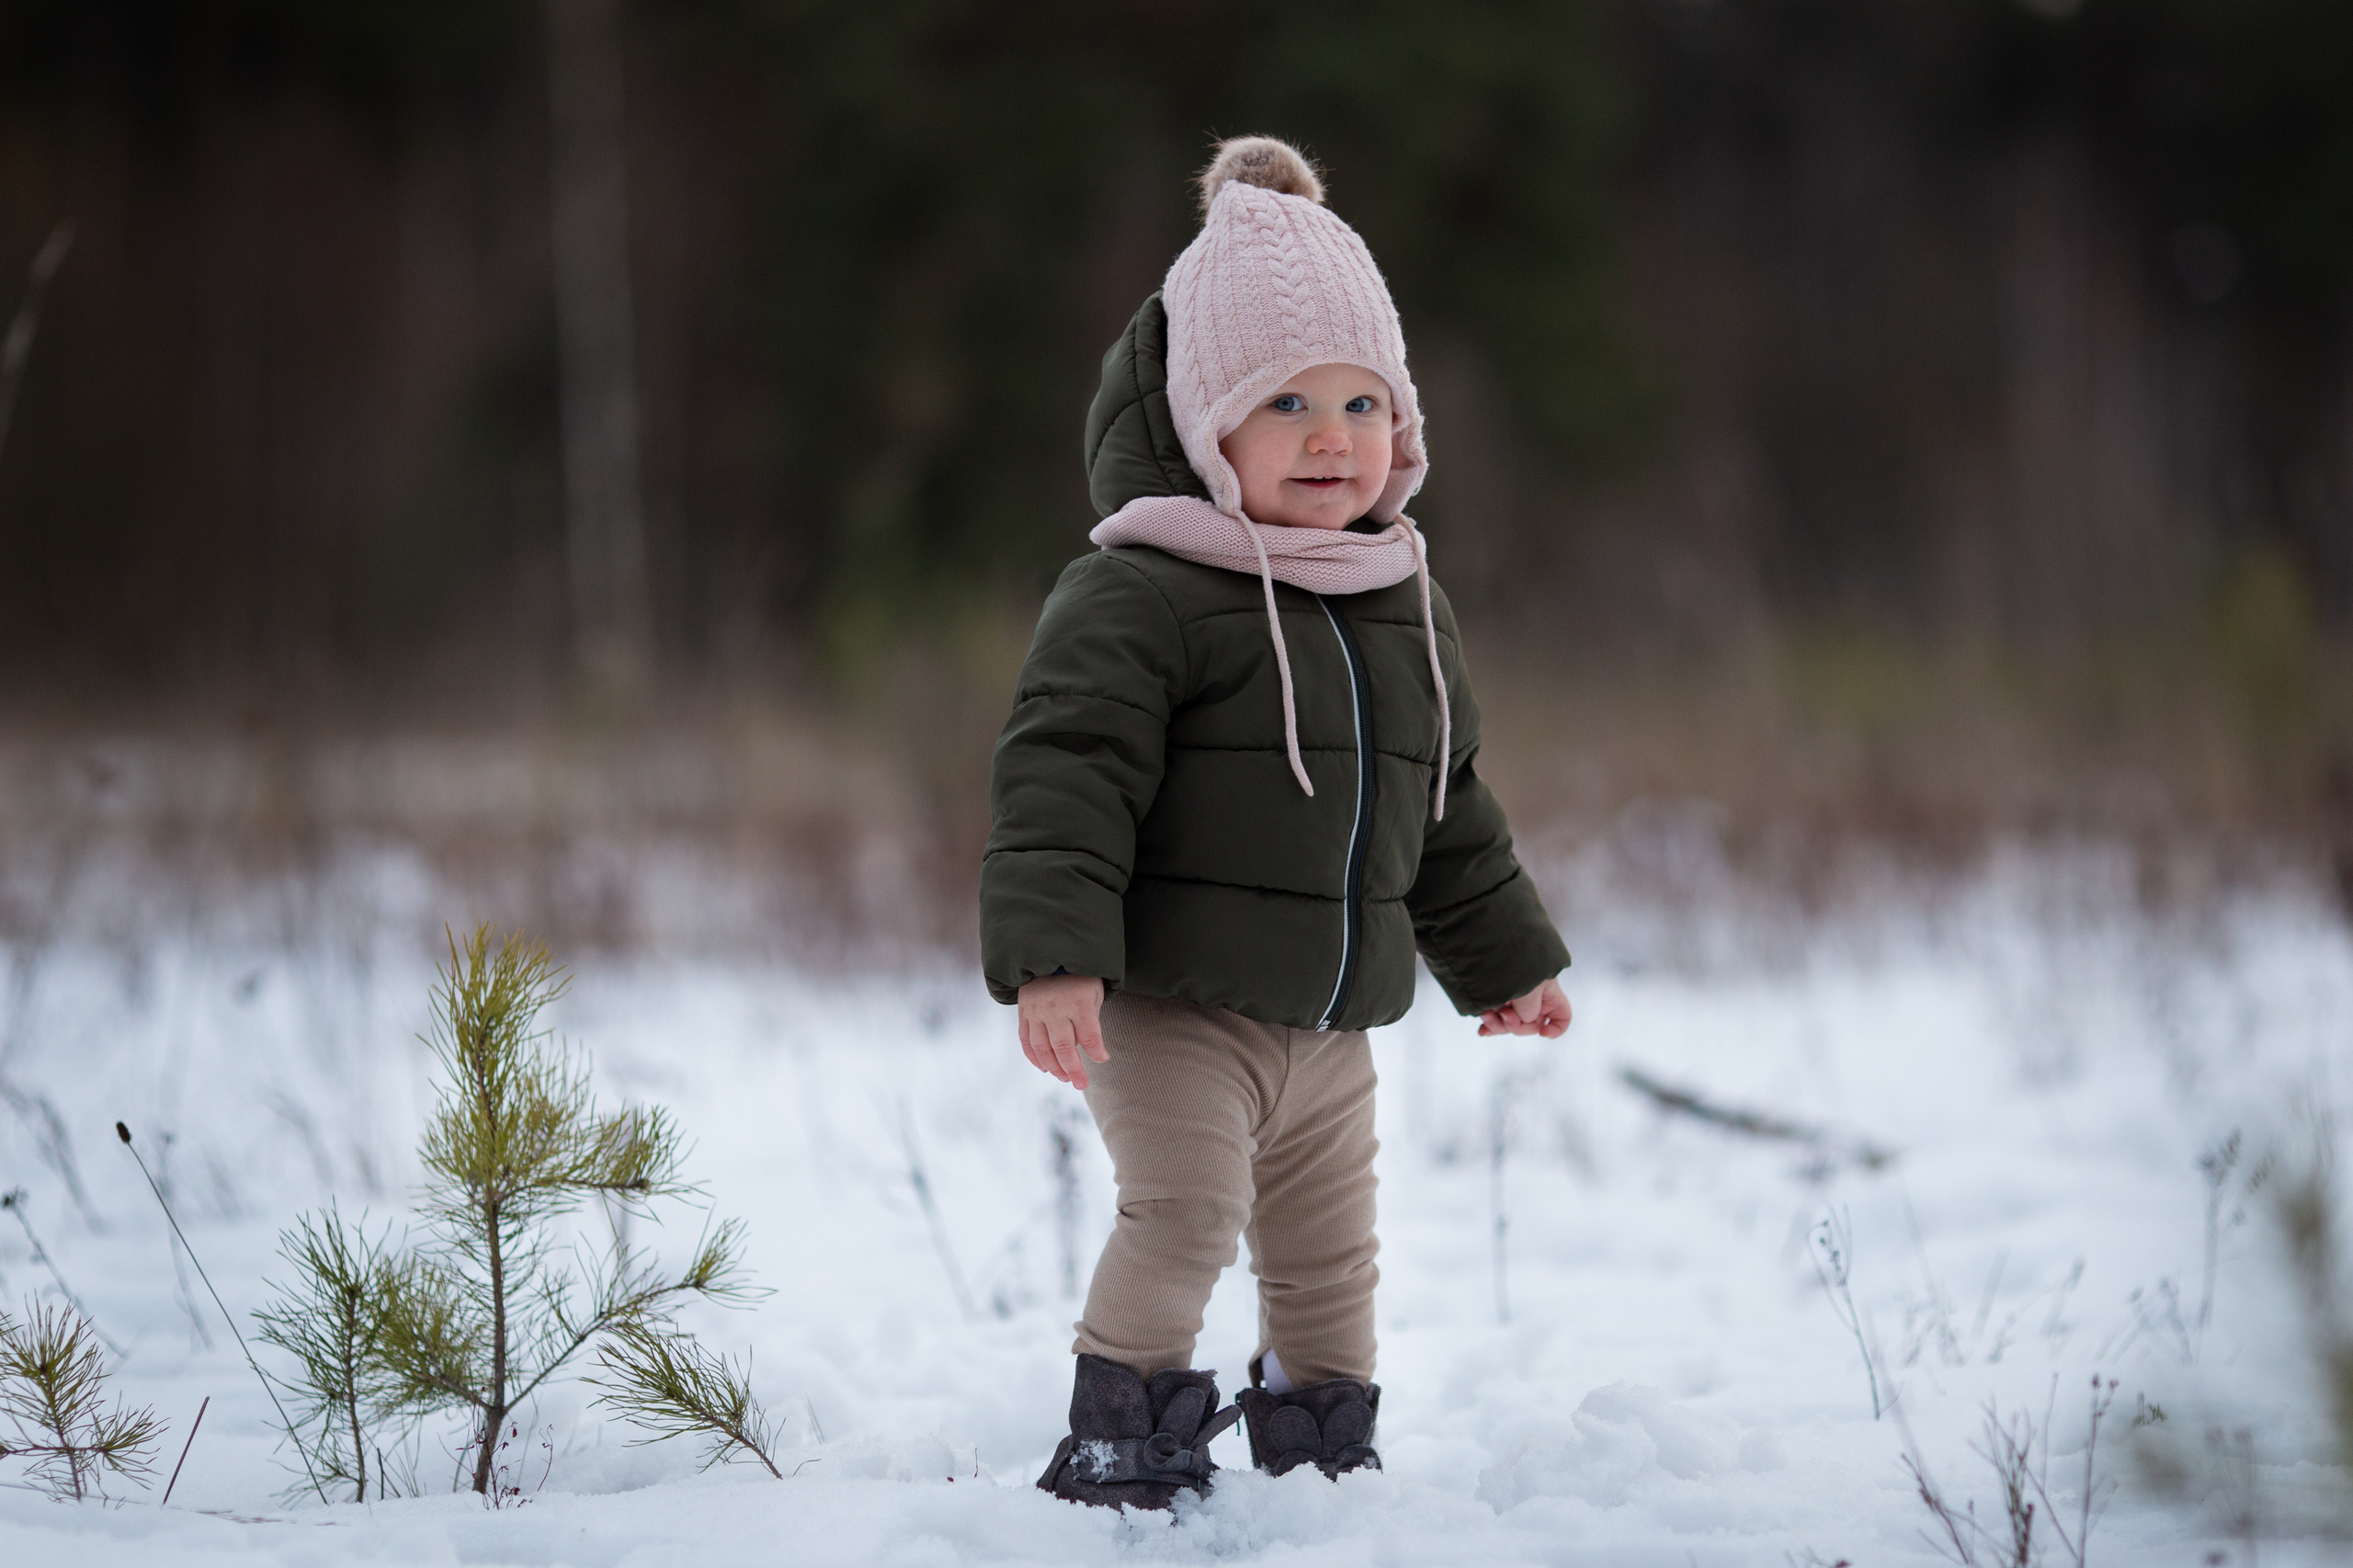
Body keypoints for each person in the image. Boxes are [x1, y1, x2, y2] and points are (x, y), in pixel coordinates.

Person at [981, 135, 1573, 1512]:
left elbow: (1451, 803)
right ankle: (1124, 1437)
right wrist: (1056, 954)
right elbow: (1063, 772)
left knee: (1328, 1252)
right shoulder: (1142, 591)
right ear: (1203, 424)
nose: (1332, 436)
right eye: (1289, 400)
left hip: (1333, 1030)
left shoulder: (1400, 598)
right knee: (1185, 1214)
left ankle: (1323, 1452)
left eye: (1365, 403)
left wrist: (1508, 960)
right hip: (1176, 1008)